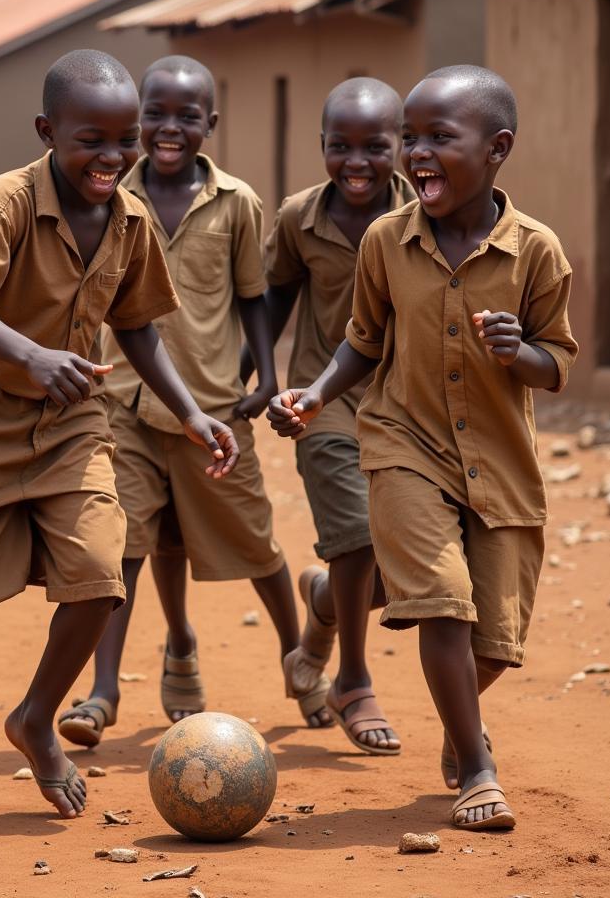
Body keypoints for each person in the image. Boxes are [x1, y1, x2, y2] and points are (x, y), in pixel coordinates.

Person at [0, 49, 239, 819]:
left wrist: (193, 414)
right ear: (47, 130)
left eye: (124, 139)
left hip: (70, 421)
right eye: (91, 139)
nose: (113, 157)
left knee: (101, 574)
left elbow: (136, 328)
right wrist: (29, 353)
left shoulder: (129, 219)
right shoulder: (8, 201)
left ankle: (34, 717)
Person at [268, 65, 577, 830]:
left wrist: (520, 352)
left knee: (496, 645)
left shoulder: (536, 252)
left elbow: (558, 363)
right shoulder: (386, 241)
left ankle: (459, 723)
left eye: (440, 137)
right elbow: (362, 341)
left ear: (497, 147)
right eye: (414, 137)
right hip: (401, 443)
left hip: (499, 463)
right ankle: (478, 768)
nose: (417, 153)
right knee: (444, 604)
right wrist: (314, 394)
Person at [56, 54, 303, 747]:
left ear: (210, 124)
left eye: (185, 117)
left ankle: (300, 657)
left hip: (213, 402)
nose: (168, 129)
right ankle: (102, 690)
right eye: (154, 116)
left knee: (252, 539)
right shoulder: (108, 191)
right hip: (124, 404)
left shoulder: (238, 204)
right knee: (121, 546)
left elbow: (254, 297)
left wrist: (266, 376)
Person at [251, 78, 414, 751]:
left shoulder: (424, 211)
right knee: (356, 538)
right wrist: (260, 381)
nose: (357, 161)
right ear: (320, 146)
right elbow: (271, 301)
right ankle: (353, 678)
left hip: (410, 404)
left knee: (402, 572)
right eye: (340, 146)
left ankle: (321, 603)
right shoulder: (298, 218)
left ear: (399, 147)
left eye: (375, 146)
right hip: (325, 400)